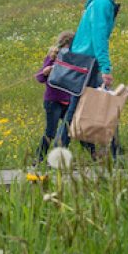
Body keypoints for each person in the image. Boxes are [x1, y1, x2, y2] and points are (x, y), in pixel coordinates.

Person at [64, 0, 128, 159]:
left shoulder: (101, 2)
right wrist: (105, 67)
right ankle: (116, 156)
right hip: (89, 63)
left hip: (84, 61)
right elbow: (99, 37)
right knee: (109, 106)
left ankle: (58, 155)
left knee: (75, 109)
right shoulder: (102, 4)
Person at [35, 30, 76, 163]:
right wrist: (46, 71)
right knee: (50, 132)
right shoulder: (52, 57)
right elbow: (40, 78)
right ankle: (39, 158)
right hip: (53, 101)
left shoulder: (74, 58)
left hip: (68, 101)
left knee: (72, 129)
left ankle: (92, 154)